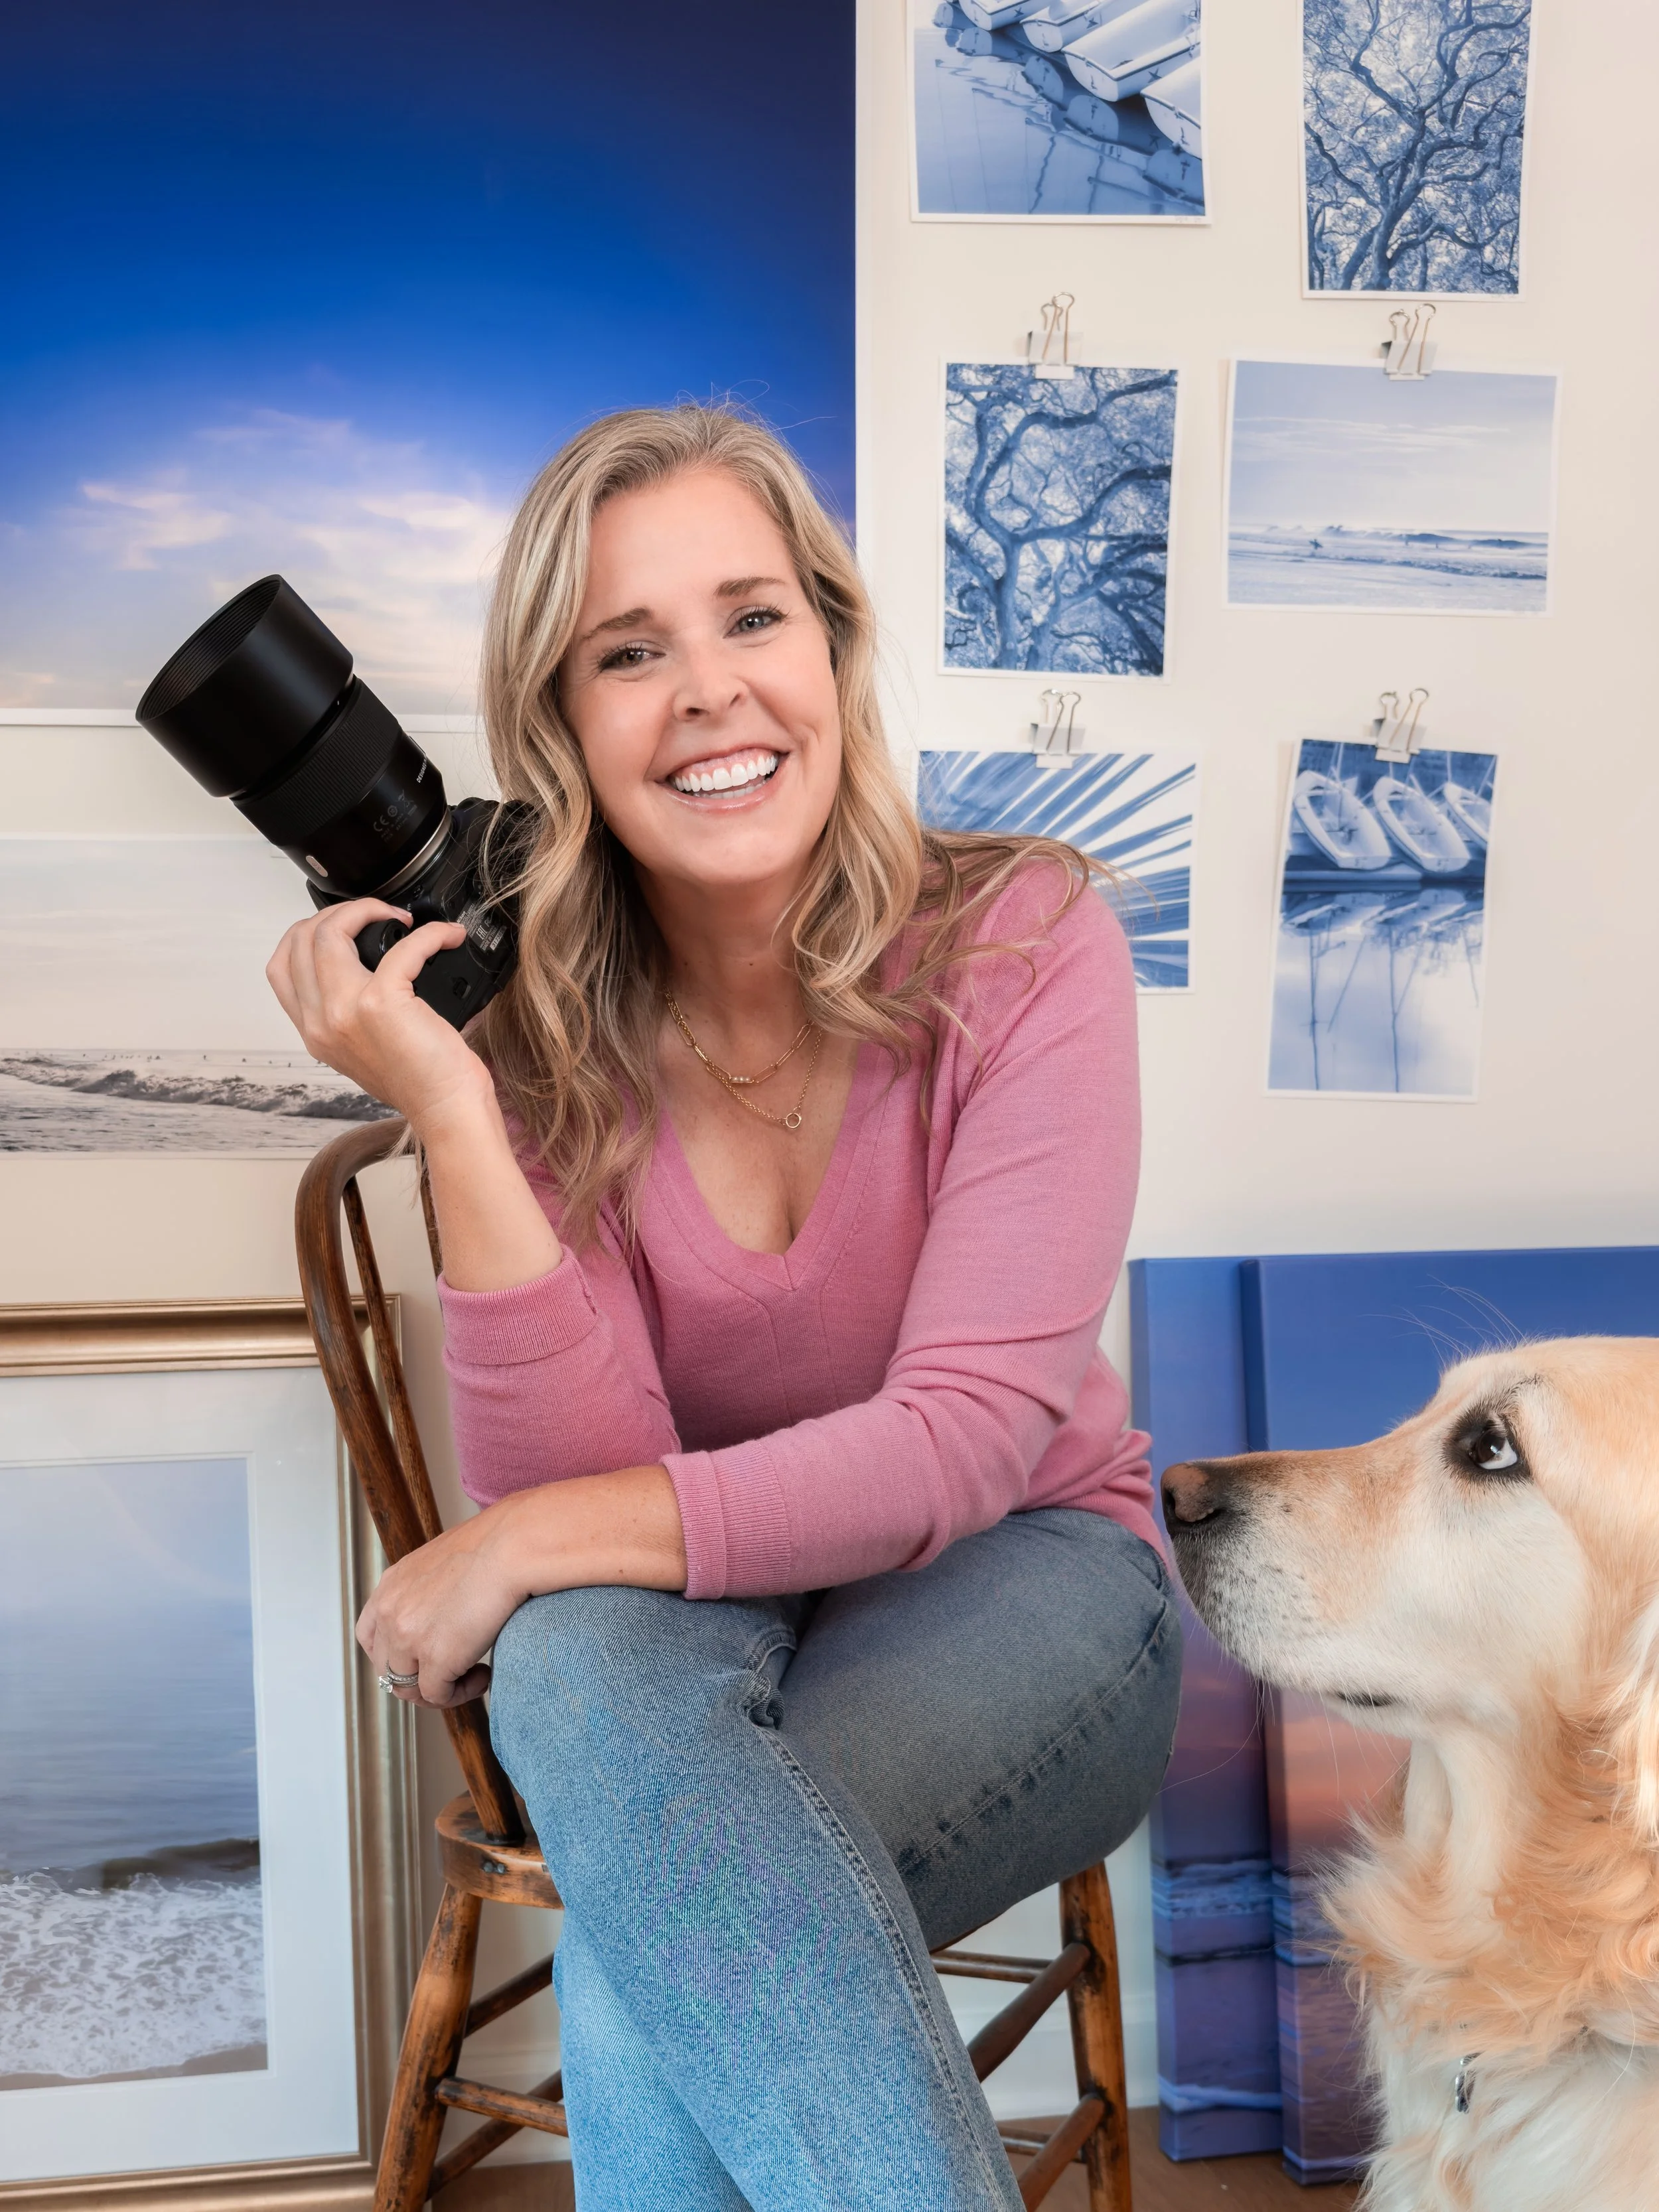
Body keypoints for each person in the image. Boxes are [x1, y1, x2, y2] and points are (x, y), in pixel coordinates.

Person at [268, 405, 1181, 2212]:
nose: (705, 692)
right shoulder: (532, 1037)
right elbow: (596, 1509)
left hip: (1028, 1575)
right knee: (609, 1708)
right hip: (707, 1620)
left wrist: (521, 1536)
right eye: (628, 651)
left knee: (656, 1909)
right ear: (561, 733)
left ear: (831, 651)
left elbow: (961, 1443)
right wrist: (460, 1109)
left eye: (751, 618)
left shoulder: (1023, 942)